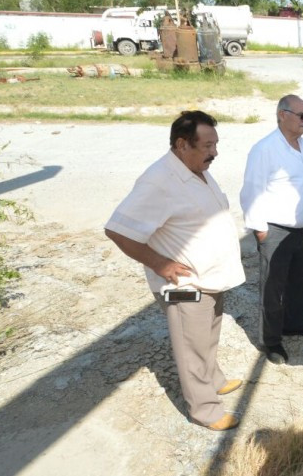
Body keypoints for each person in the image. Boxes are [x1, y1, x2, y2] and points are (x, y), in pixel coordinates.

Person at [104, 110, 244, 431]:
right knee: (191, 345)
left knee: (207, 336)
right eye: (208, 145)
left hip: (211, 275)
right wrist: (160, 264)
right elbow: (118, 229)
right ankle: (204, 409)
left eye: (216, 144)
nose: (215, 152)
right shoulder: (159, 181)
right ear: (182, 144)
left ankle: (213, 379)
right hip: (185, 283)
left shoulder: (195, 168)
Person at [240, 94, 303, 365]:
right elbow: (251, 191)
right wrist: (260, 231)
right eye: (301, 116)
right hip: (275, 230)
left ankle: (293, 323)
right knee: (273, 288)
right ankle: (271, 340)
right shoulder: (265, 149)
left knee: (300, 283)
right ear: (282, 115)